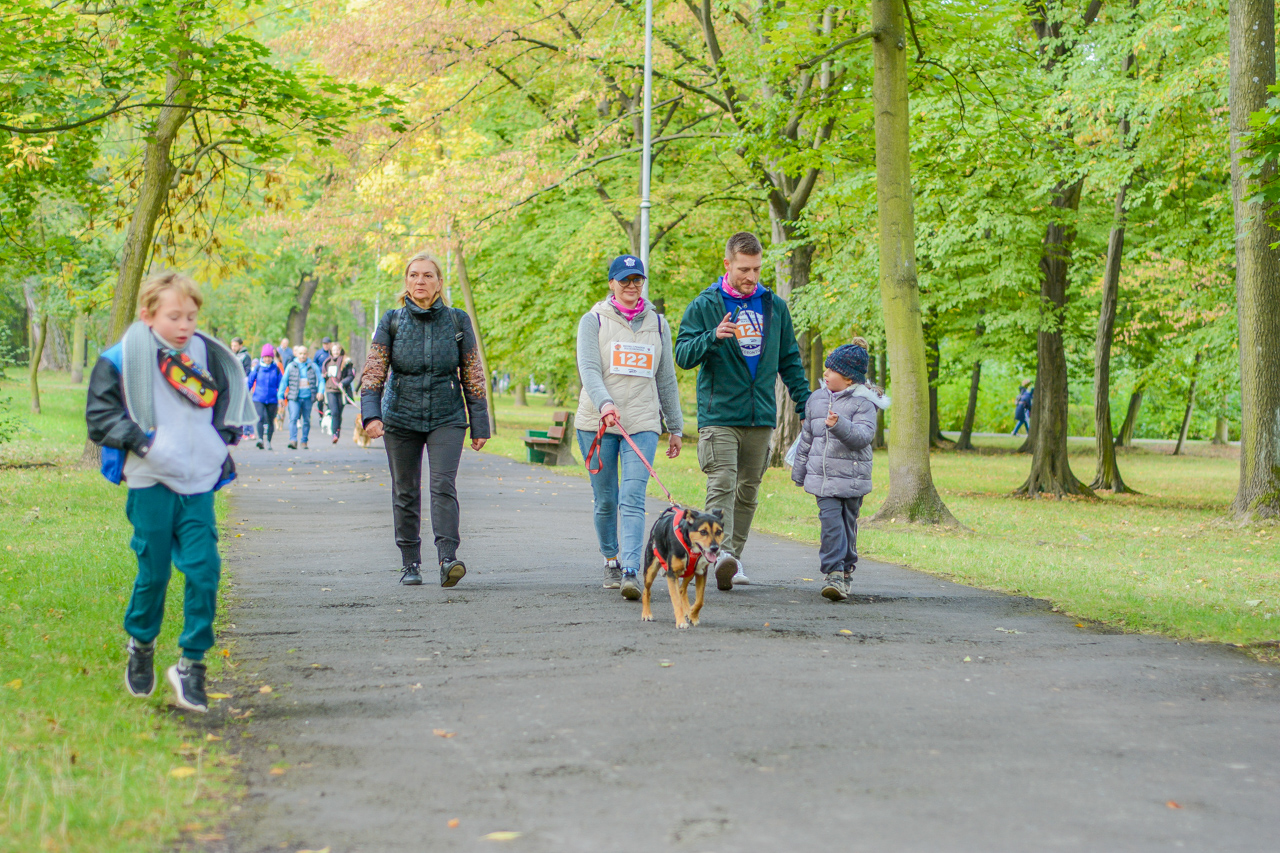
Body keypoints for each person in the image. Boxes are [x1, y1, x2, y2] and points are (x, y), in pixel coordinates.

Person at [85, 271, 255, 712]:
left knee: (204, 571)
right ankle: (141, 644)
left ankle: (191, 664)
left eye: (191, 316)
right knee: (154, 574)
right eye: (174, 316)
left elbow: (227, 401)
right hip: (150, 481)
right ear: (147, 315)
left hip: (197, 482)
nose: (184, 325)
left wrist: (221, 443)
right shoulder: (119, 359)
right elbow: (99, 417)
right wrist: (145, 444)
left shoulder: (208, 354)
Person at [674, 231, 810, 591]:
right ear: (727, 264)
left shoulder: (773, 306)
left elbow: (789, 361)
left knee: (748, 490)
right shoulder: (706, 304)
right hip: (719, 415)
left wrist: (806, 402)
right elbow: (683, 354)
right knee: (721, 484)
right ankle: (715, 555)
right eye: (744, 269)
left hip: (759, 416)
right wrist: (712, 337)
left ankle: (731, 559)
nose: (751, 277)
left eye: (757, 269)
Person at [359, 249, 491, 587]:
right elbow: (374, 372)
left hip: (447, 415)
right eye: (414, 275)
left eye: (427, 275)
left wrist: (480, 424)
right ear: (406, 282)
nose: (420, 281)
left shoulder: (458, 321)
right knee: (405, 490)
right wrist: (371, 415)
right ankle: (410, 562)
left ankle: (448, 558)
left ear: (439, 283)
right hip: (400, 417)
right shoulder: (390, 320)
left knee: (442, 485)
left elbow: (473, 375)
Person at [575, 254, 684, 599]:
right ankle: (611, 558)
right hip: (597, 421)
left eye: (637, 280)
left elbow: (666, 378)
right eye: (624, 280)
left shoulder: (659, 324)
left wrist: (675, 426)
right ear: (612, 284)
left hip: (642, 421)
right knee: (606, 499)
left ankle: (632, 570)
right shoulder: (593, 321)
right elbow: (589, 370)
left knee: (633, 497)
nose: (631, 286)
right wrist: (606, 403)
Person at [791, 342, 888, 602]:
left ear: (847, 379)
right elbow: (807, 439)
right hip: (823, 480)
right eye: (826, 368)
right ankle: (833, 572)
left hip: (852, 480)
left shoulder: (863, 403)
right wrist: (800, 471)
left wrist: (839, 424)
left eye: (831, 370)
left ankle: (846, 571)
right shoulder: (816, 399)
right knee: (831, 524)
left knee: (847, 525)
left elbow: (864, 436)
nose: (825, 373)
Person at [279, 344, 323, 449]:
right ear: (296, 354)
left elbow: (321, 380)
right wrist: (280, 396)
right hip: (294, 397)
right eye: (300, 354)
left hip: (308, 397)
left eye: (304, 353)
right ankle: (293, 440)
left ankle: (304, 441)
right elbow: (284, 382)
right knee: (293, 418)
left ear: (307, 354)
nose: (303, 356)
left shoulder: (312, 366)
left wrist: (320, 391)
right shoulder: (291, 366)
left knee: (306, 420)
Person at [247, 344, 283, 449]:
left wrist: (281, 397)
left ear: (272, 357)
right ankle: (260, 439)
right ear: (262, 357)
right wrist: (245, 393)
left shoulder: (276, 369)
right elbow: (250, 381)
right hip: (259, 398)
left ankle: (268, 441)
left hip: (272, 399)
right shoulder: (258, 368)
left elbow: (281, 384)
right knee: (260, 418)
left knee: (270, 420)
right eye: (265, 357)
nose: (267, 359)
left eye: (269, 357)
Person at [324, 343, 355, 443]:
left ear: (341, 350)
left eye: (337, 350)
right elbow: (323, 374)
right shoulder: (327, 362)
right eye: (334, 350)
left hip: (341, 391)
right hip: (330, 390)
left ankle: (337, 430)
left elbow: (351, 376)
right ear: (331, 351)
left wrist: (342, 382)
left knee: (339, 413)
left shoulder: (346, 362)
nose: (336, 352)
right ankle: (334, 434)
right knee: (334, 412)